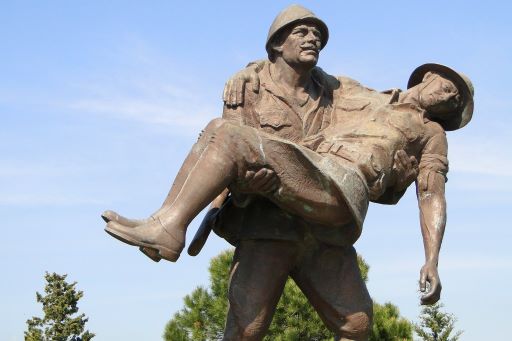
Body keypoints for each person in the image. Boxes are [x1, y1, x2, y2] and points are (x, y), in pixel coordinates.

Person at [103, 5, 474, 340]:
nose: (447, 97)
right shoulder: (358, 93)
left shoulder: (430, 133)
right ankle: (168, 226)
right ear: (425, 77)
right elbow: (286, 76)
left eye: (454, 100)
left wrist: (431, 260)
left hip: (335, 193)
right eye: (445, 86)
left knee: (228, 135)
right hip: (273, 217)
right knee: (277, 329)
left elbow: (431, 194)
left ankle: (168, 229)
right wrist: (250, 71)